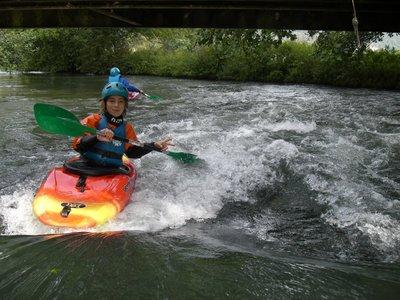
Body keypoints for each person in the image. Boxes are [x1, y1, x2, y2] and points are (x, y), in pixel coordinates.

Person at [72, 82, 172, 168]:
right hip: (86, 165)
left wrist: (154, 145)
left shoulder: (127, 128)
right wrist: (97, 137)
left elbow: (132, 152)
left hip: (112, 172)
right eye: (112, 101)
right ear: (105, 103)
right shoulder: (92, 120)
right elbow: (78, 146)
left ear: (125, 105)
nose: (116, 105)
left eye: (121, 101)